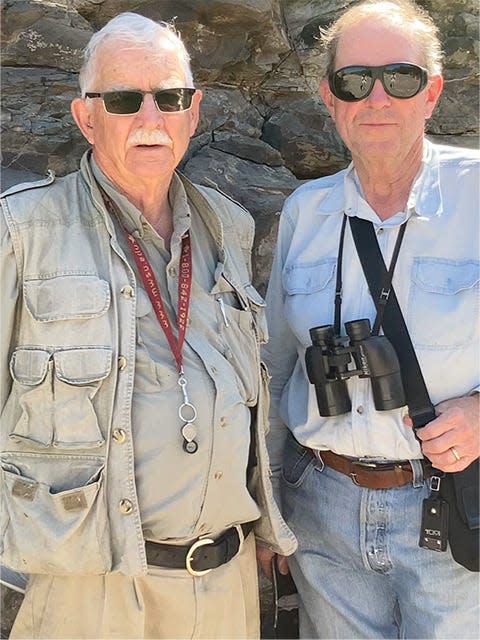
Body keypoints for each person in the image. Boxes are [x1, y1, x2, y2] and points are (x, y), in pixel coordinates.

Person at [0, 12, 296, 639]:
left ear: (194, 110)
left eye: (169, 98)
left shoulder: (229, 227)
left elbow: (255, 389)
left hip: (227, 585)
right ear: (87, 116)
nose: (150, 119)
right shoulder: (20, 233)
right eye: (125, 99)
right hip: (93, 591)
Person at [258, 0, 479, 638]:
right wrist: (270, 509)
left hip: (448, 507)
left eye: (400, 79)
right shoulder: (306, 211)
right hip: (322, 506)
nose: (376, 98)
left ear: (432, 93)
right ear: (330, 98)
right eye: (355, 81)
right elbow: (276, 367)